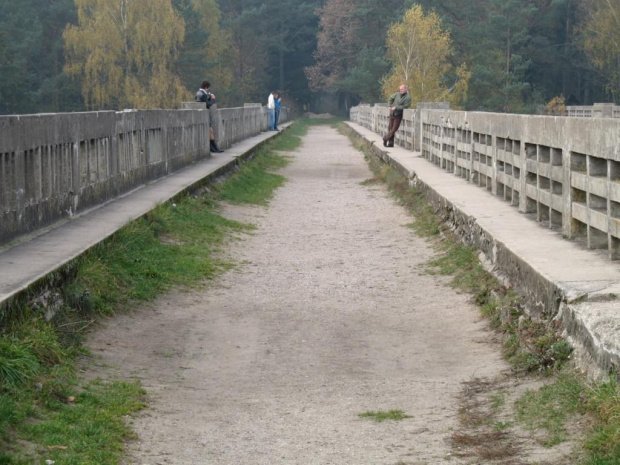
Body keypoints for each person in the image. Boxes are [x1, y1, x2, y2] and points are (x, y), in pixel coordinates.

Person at [195, 80, 224, 153]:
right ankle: (215, 148)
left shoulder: (198, 93)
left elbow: (204, 102)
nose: (208, 90)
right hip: (205, 116)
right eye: (208, 88)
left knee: (210, 131)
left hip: (202, 115)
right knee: (210, 131)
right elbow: (208, 104)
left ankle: (214, 148)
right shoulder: (203, 94)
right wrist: (213, 99)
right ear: (206, 87)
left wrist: (209, 98)